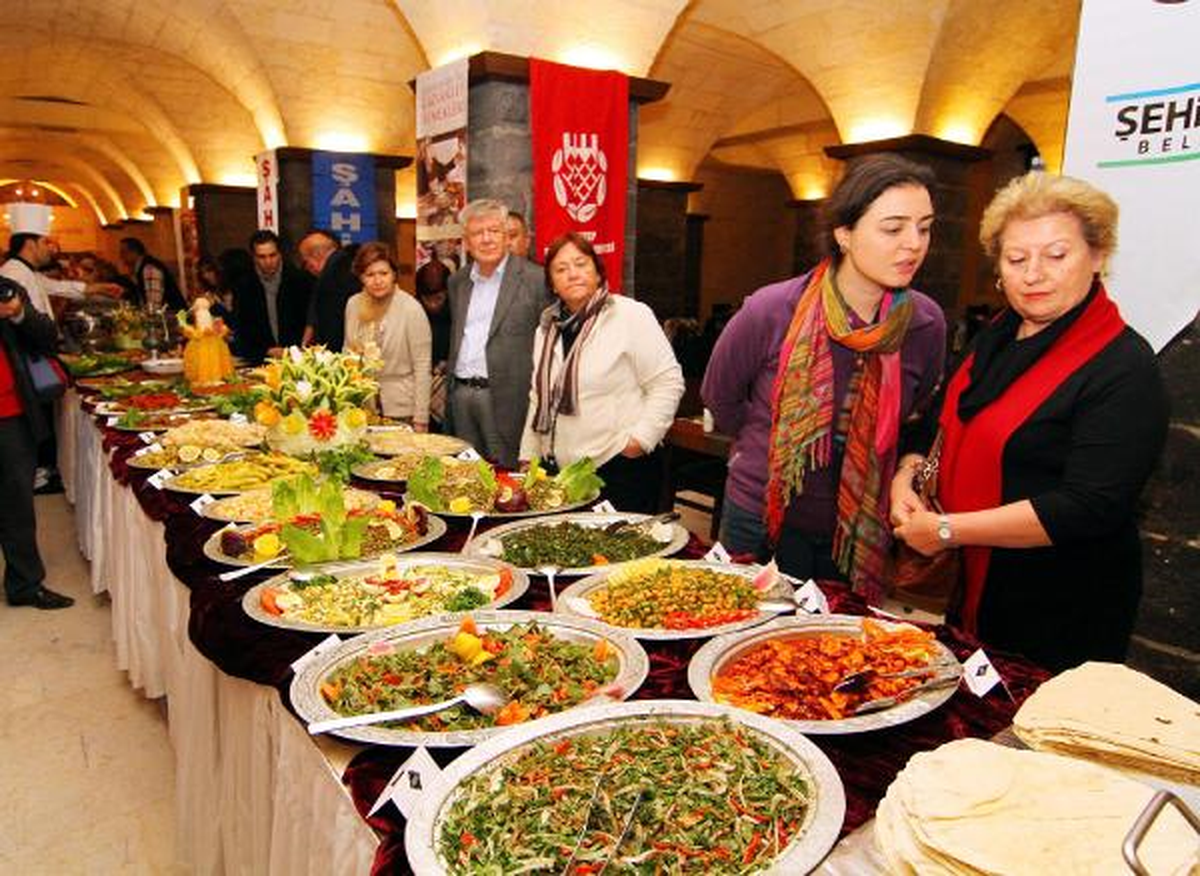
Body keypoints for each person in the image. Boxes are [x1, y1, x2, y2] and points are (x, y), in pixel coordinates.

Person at [891, 172, 1168, 671]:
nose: (1033, 274)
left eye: (1056, 256)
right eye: (1016, 260)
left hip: (1061, 602)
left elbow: (1089, 505)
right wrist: (905, 477)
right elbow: (932, 424)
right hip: (975, 582)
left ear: (1099, 256)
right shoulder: (993, 340)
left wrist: (949, 530)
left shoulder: (1124, 366)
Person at [701, 154, 946, 600]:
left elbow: (919, 419)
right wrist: (768, 445)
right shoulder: (772, 308)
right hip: (760, 513)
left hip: (860, 528)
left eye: (924, 227)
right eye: (893, 228)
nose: (913, 243)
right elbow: (722, 397)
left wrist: (908, 472)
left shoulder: (925, 323)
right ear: (844, 233)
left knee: (835, 652)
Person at [520, 233, 684, 512]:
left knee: (621, 554)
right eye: (561, 269)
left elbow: (667, 382)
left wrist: (639, 442)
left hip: (618, 467)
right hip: (560, 472)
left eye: (581, 264)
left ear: (597, 272)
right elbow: (539, 397)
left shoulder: (630, 315)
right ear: (553, 285)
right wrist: (528, 456)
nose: (572, 274)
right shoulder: (547, 329)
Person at [446, 199, 551, 467]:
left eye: (494, 231)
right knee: (466, 474)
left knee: (506, 477)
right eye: (477, 233)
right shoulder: (458, 281)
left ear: (507, 237)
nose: (487, 239)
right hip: (461, 393)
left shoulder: (536, 279)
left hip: (507, 399)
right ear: (466, 242)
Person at [0, 276, 73, 609]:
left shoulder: (7, 289)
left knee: (16, 504)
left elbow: (47, 336)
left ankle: (25, 584)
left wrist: (16, 312)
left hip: (10, 415)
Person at [344, 242, 432, 430]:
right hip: (362, 407)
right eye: (370, 274)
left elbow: (423, 365)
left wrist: (421, 417)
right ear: (361, 277)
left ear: (394, 275)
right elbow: (347, 352)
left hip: (402, 409)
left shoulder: (411, 308)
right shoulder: (353, 304)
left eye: (383, 273)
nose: (378, 280)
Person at [233, 230, 313, 362]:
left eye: (272, 255)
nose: (268, 261)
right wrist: (266, 350)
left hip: (298, 357)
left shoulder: (301, 281)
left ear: (280, 254)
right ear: (254, 257)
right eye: (262, 257)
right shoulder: (244, 286)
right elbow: (242, 330)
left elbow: (310, 322)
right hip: (261, 360)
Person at [1, 232, 121, 319]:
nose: (52, 249)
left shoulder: (30, 272)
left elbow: (60, 287)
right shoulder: (12, 273)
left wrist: (101, 287)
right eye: (46, 242)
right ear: (30, 245)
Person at [298, 229, 360, 351]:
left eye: (305, 262)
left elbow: (331, 330)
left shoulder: (329, 279)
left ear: (314, 258)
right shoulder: (353, 263)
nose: (308, 268)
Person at [118, 237, 187, 312]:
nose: (121, 256)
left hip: (174, 317)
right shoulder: (140, 269)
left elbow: (154, 305)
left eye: (123, 252)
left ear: (134, 252)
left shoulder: (149, 269)